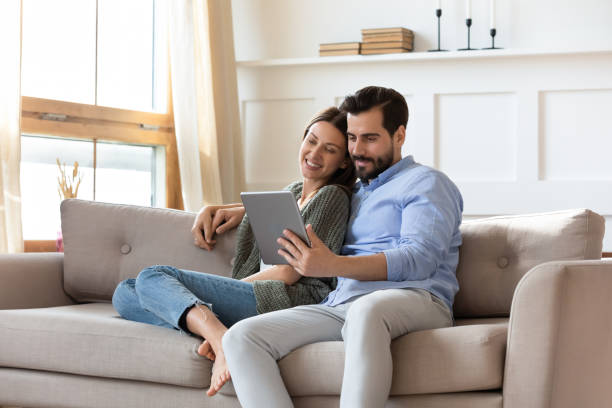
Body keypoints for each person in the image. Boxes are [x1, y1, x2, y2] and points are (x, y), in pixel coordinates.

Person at [221, 86, 464, 408]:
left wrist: (332, 265)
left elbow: (419, 258)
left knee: (367, 310)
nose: (357, 150)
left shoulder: (426, 182)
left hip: (417, 297)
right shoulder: (356, 191)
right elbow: (306, 198)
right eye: (352, 138)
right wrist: (234, 209)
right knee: (241, 337)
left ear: (400, 134)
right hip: (343, 303)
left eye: (370, 138)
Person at [111, 106, 356, 397]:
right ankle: (211, 325)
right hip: (261, 293)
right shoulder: (292, 192)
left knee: (153, 276)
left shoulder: (333, 196)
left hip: (285, 298)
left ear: (343, 162)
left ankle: (218, 336)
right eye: (312, 140)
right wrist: (222, 209)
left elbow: (290, 272)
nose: (314, 154)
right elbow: (265, 214)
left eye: (329, 149)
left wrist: (229, 288)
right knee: (124, 293)